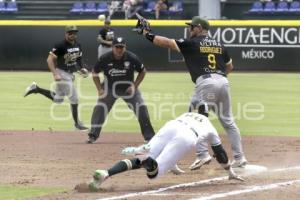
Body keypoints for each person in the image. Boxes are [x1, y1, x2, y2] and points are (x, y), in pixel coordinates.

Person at [134, 16, 247, 169]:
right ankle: (240, 158)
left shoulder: (192, 43)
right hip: (223, 81)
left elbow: (166, 42)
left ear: (199, 28)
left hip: (206, 82)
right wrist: (218, 77)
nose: (190, 29)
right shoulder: (220, 44)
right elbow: (230, 67)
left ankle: (202, 154)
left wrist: (147, 33)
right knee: (228, 121)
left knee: (197, 118)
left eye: (192, 27)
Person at [87, 112, 244, 191]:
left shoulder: (188, 114)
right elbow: (220, 153)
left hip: (172, 125)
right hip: (187, 135)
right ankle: (148, 161)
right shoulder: (209, 126)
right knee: (154, 173)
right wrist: (229, 170)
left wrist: (173, 164)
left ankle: (106, 173)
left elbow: (172, 141)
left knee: (139, 160)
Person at [87, 37, 155, 144]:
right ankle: (93, 135)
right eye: (117, 47)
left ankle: (149, 137)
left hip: (128, 89)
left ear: (125, 47)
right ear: (112, 47)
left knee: (141, 107)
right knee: (100, 108)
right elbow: (94, 72)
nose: (119, 49)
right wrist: (100, 89)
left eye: (121, 47)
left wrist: (134, 86)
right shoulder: (105, 58)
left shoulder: (132, 57)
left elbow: (143, 71)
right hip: (109, 88)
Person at [23, 25, 88, 131]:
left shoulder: (78, 45)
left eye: (74, 33)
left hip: (70, 75)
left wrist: (82, 69)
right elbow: (49, 60)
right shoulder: (60, 45)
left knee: (58, 99)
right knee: (74, 99)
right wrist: (55, 74)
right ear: (66, 34)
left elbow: (78, 59)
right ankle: (77, 124)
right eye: (70, 33)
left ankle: (36, 88)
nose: (72, 35)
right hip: (62, 74)